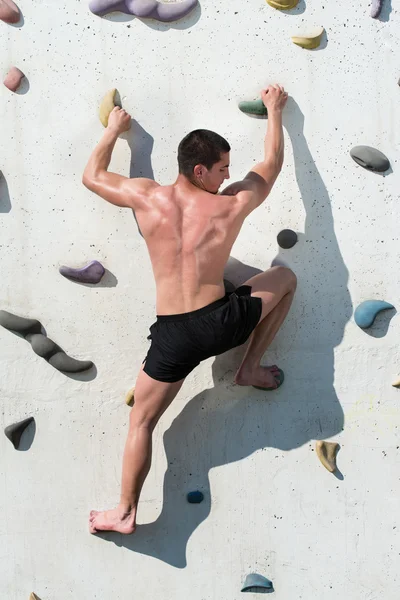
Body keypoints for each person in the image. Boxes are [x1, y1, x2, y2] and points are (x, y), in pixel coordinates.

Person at [83, 84, 296, 535]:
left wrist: (114, 130)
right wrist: (274, 111)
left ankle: (123, 511)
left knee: (141, 421)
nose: (225, 177)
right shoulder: (227, 207)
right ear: (199, 169)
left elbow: (93, 176)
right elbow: (271, 166)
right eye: (220, 169)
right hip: (220, 324)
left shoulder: (145, 197)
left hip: (173, 334)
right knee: (286, 279)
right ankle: (250, 367)